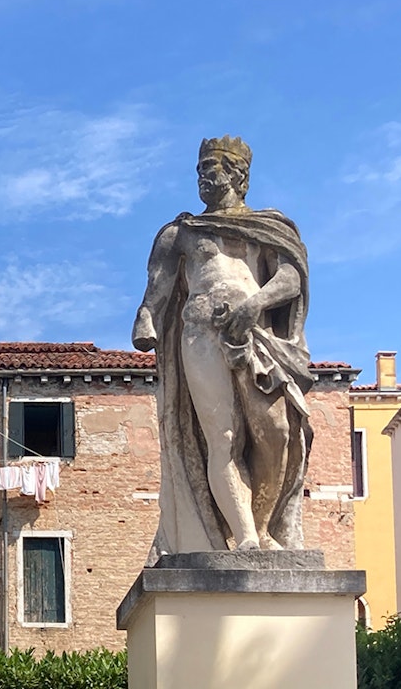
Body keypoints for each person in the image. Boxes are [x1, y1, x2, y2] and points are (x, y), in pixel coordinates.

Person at [132, 136, 314, 562]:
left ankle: (265, 527)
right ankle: (246, 537)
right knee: (223, 437)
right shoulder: (180, 233)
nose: (202, 178)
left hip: (256, 336)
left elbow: (289, 279)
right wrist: (145, 318)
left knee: (278, 433)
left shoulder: (269, 228)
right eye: (199, 171)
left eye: (209, 170)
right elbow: (156, 290)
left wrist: (255, 305)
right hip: (199, 332)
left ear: (237, 175)